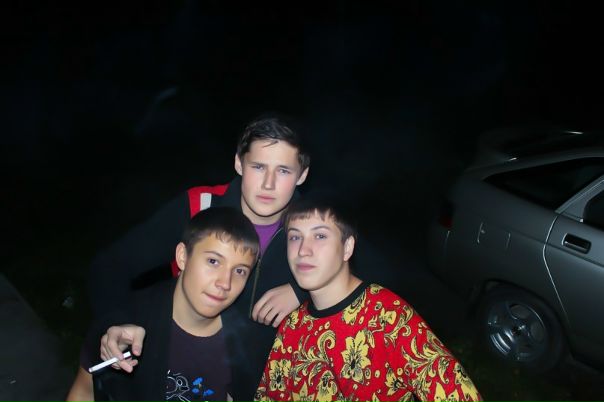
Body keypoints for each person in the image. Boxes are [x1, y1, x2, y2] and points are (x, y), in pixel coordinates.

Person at [254, 198, 482, 401]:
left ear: (347, 247)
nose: (303, 250)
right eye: (295, 237)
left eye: (320, 236)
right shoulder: (292, 325)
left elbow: (458, 393)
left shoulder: (387, 316)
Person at [66, 207, 260, 402]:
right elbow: (84, 393)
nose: (225, 283)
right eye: (213, 261)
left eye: (240, 271)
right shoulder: (128, 318)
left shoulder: (244, 345)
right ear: (182, 257)